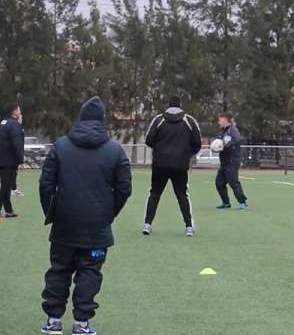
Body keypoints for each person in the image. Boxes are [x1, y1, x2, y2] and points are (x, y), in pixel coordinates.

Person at [39, 96, 132, 335]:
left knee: (59, 268)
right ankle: (82, 323)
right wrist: (109, 213)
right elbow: (124, 189)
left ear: (80, 119)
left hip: (65, 223)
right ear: (102, 121)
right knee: (90, 271)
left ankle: (53, 320)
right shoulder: (114, 150)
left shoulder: (60, 146)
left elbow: (46, 184)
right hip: (96, 225)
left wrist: (51, 212)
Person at [143, 96, 202, 236]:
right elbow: (197, 142)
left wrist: (159, 150)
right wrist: (188, 154)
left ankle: (147, 224)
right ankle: (188, 227)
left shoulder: (158, 119)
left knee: (154, 194)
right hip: (180, 165)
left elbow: (148, 140)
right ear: (180, 106)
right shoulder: (189, 120)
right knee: (182, 195)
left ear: (168, 105)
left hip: (160, 164)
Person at [215, 113, 249, 209]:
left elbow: (236, 139)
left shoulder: (232, 130)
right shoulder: (222, 132)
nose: (219, 122)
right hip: (224, 162)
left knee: (233, 182)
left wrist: (225, 145)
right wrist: (216, 146)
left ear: (226, 120)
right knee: (219, 182)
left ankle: (243, 202)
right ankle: (226, 203)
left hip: (232, 161)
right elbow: (218, 143)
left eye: (220, 120)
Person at [0, 103, 24, 218]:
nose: (20, 112)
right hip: (8, 161)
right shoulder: (14, 125)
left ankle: (8, 211)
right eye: (19, 110)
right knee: (5, 187)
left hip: (2, 159)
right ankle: (7, 211)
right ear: (14, 112)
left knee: (6, 186)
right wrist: (20, 159)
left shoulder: (2, 123)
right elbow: (17, 144)